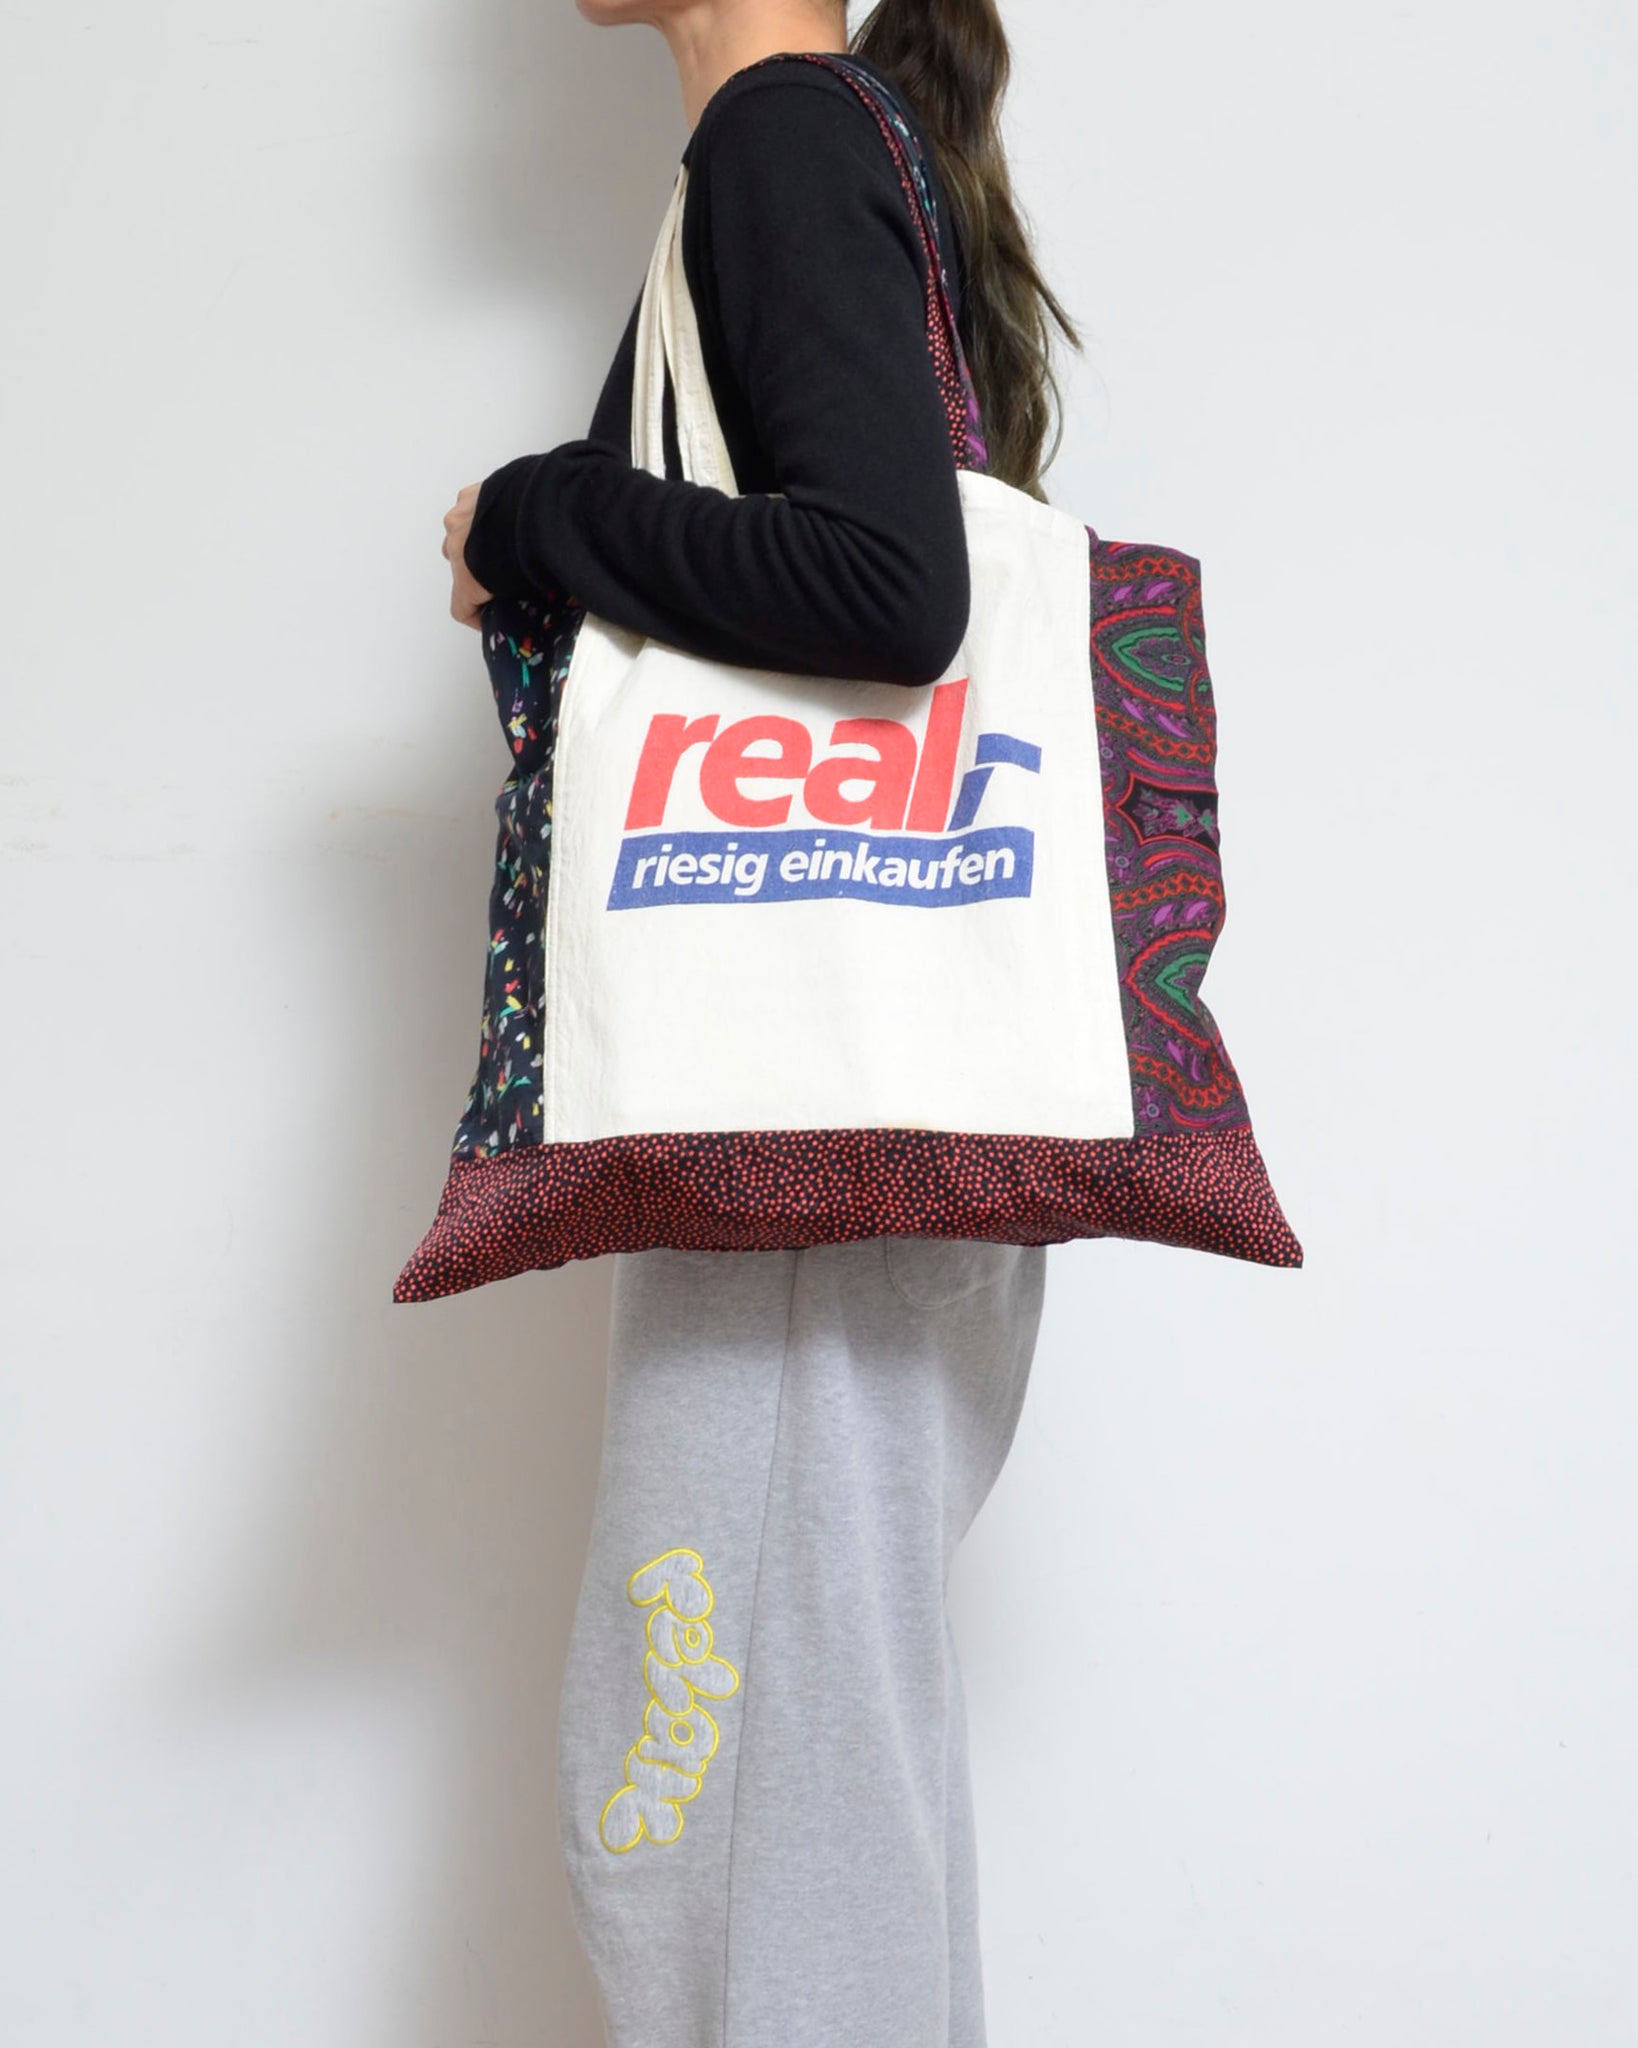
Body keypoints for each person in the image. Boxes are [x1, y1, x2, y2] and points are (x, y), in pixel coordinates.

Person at [441, 3, 1080, 2041]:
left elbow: (888, 586)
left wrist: (532, 517)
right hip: (852, 1121)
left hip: (813, 1137)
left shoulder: (787, 142)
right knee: (810, 1784)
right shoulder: (822, 144)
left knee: (713, 1801)